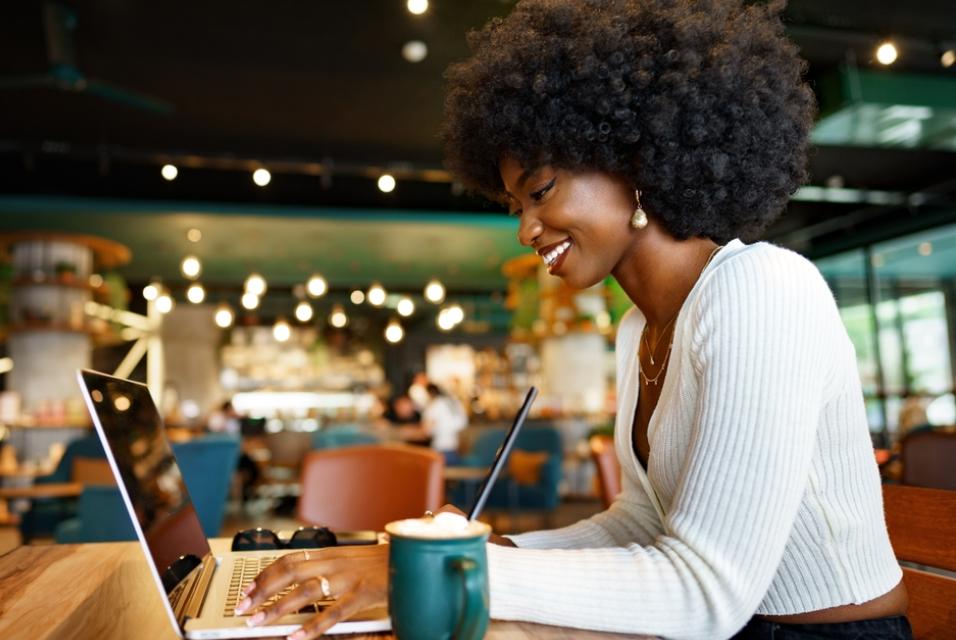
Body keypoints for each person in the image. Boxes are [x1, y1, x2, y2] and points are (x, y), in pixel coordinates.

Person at [234, 2, 910, 638]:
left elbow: (708, 590)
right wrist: (482, 546)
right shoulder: (638, 331)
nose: (526, 227)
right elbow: (643, 522)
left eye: (541, 190)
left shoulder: (764, 289)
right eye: (515, 204)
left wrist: (447, 570)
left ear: (638, 161)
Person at [420, 383, 469, 465]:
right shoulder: (455, 403)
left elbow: (426, 430)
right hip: (455, 450)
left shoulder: (435, 405)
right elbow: (463, 423)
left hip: (439, 450)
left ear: (430, 393)